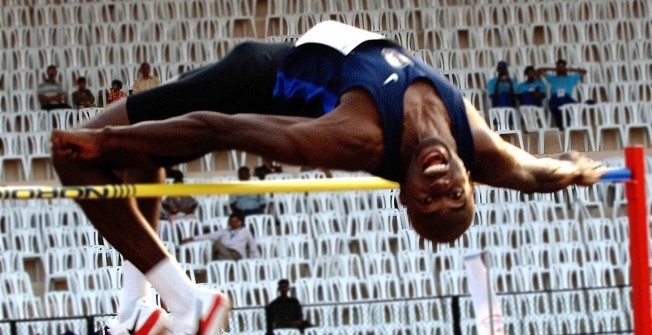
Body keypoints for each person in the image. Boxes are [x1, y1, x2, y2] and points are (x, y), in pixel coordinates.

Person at [50, 21, 605, 335]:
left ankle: (188, 304)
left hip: (252, 83)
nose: (440, 185)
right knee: (137, 164)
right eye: (453, 192)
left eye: (428, 200)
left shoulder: (363, 137)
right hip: (274, 60)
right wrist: (576, 170)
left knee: (77, 158)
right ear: (469, 174)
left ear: (407, 199)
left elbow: (222, 128)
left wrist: (107, 141)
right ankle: (136, 314)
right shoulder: (476, 142)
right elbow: (532, 172)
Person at [181, 213, 259, 261]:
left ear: (239, 222)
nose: (232, 223)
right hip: (224, 251)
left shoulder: (245, 231)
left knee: (218, 251)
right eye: (231, 221)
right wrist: (192, 238)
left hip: (236, 253)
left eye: (235, 221)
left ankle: (227, 261)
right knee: (216, 243)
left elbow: (252, 244)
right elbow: (209, 236)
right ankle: (228, 261)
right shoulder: (224, 231)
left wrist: (255, 259)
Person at [538, 59, 587, 129]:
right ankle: (563, 126)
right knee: (556, 108)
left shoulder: (572, 78)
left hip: (566, 98)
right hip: (555, 98)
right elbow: (540, 71)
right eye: (559, 67)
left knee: (570, 107)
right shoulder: (551, 78)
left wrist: (570, 70)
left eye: (562, 66)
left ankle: (566, 126)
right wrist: (555, 69)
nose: (560, 68)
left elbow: (584, 72)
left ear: (565, 67)